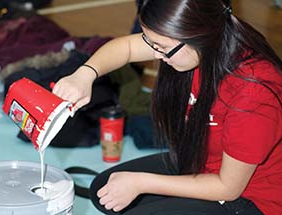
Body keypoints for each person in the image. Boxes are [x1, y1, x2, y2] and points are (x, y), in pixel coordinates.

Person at [53, 0, 282, 214]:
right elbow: (127, 48)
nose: (155, 54)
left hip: (251, 197)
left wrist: (140, 182)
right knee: (105, 191)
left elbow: (227, 188)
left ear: (197, 36)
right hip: (200, 161)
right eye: (151, 43)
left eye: (162, 47)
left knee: (126, 197)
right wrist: (84, 74)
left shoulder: (253, 91)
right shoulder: (196, 43)